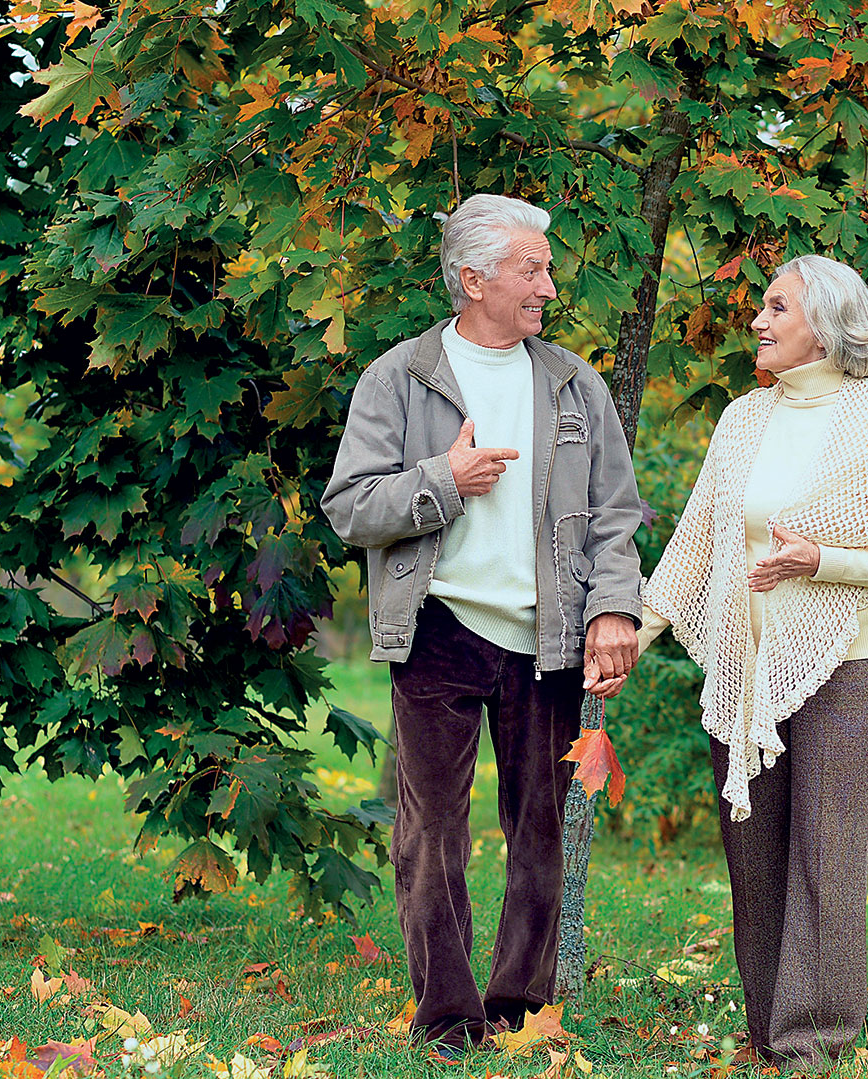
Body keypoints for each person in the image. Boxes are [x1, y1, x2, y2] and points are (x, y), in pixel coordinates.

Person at [321, 193, 644, 1052]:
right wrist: (442, 478)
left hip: (549, 637)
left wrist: (614, 606)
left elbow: (617, 516)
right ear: (473, 278)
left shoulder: (575, 382)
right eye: (530, 268)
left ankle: (518, 1005)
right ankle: (448, 1015)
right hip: (439, 630)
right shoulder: (397, 378)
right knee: (433, 830)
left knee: (539, 824)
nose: (548, 282)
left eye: (545, 265)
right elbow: (349, 505)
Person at [632, 254, 868, 1072]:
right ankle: (766, 1030)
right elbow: (699, 535)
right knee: (754, 850)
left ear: (827, 322)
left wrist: (823, 559)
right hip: (750, 661)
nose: (758, 320)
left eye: (777, 307)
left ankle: (812, 1040)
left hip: (851, 659)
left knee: (827, 850)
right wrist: (635, 632)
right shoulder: (744, 418)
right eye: (761, 306)